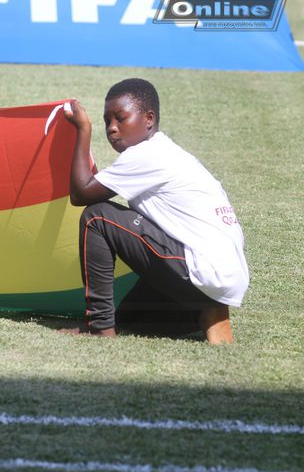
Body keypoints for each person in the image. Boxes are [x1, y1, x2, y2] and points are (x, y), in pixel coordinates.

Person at [62, 78, 248, 344]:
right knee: (129, 319)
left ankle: (99, 327)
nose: (112, 128)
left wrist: (83, 129)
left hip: (201, 272)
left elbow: (81, 193)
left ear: (149, 119)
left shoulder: (146, 154)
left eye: (120, 118)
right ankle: (207, 312)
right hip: (220, 278)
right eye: (106, 121)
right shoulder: (166, 151)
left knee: (97, 217)